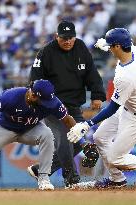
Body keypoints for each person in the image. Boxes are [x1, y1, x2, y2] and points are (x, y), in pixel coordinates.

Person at [67, 28, 136, 189]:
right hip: (129, 107)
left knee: (115, 159)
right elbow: (123, 48)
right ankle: (116, 180)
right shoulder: (135, 51)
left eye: (111, 46)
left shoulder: (126, 77)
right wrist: (106, 45)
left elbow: (112, 108)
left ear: (118, 46)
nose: (109, 48)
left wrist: (86, 125)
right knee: (100, 138)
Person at [28, 20, 106, 187]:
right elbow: (34, 79)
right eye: (64, 37)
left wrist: (97, 95)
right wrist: (38, 99)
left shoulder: (81, 47)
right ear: (57, 36)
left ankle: (41, 170)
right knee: (65, 138)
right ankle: (71, 179)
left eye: (70, 37)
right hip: (52, 106)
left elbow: (92, 73)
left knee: (75, 141)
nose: (68, 41)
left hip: (73, 106)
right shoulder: (45, 52)